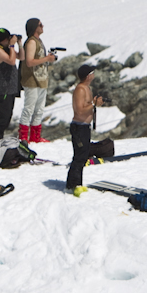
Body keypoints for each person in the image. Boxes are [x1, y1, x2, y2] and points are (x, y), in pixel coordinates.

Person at [67, 64, 105, 196]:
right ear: (88, 76)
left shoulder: (87, 89)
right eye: (92, 73)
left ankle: (76, 182)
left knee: (84, 155)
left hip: (85, 126)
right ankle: (74, 184)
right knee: (79, 156)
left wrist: (95, 103)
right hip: (79, 126)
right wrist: (93, 103)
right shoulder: (80, 89)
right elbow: (79, 110)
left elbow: (88, 107)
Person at [19, 17, 57, 143]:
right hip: (32, 79)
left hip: (41, 79)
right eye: (40, 25)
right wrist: (46, 59)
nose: (42, 26)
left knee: (39, 109)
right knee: (29, 108)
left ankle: (35, 136)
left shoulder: (37, 41)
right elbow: (29, 62)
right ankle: (23, 137)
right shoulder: (31, 42)